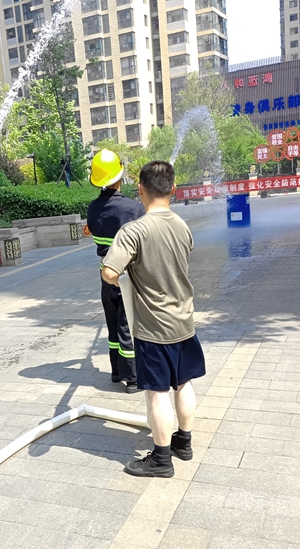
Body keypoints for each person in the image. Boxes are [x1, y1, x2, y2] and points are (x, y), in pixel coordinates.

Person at [101, 161, 206, 477]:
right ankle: (183, 442)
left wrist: (123, 275)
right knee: (183, 383)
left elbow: (109, 272)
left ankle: (161, 460)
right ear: (173, 189)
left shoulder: (134, 231)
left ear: (141, 190)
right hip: (184, 321)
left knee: (157, 394)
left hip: (153, 328)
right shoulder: (183, 226)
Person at [87, 149, 144, 394]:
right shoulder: (134, 209)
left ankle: (116, 371)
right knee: (127, 326)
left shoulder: (93, 208)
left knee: (112, 325)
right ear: (119, 175)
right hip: (127, 277)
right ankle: (133, 379)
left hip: (105, 275)